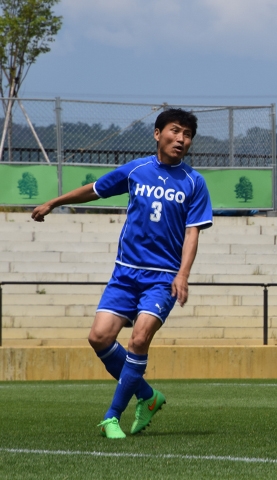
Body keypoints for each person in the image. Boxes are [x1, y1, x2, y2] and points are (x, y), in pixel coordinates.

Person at [31, 108, 213, 439]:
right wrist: (53, 203)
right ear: (158, 134)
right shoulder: (136, 170)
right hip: (125, 274)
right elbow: (94, 189)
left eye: (187, 135)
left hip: (162, 277)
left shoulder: (194, 182)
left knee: (139, 338)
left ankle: (112, 415)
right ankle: (148, 396)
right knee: (98, 338)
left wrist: (183, 274)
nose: (181, 139)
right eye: (175, 131)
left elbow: (193, 233)